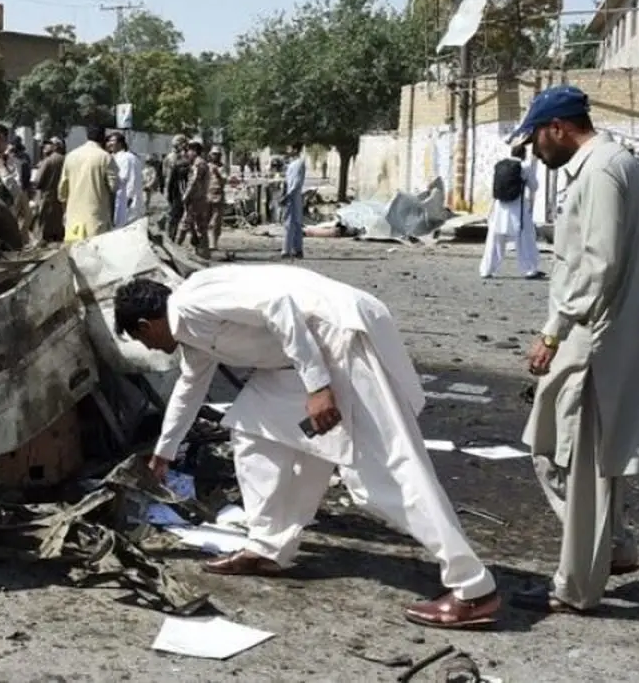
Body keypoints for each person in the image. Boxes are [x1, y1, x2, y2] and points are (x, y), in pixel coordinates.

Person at [114, 268, 500, 628]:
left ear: (146, 325)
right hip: (298, 362)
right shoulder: (191, 334)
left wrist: (317, 386)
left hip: (339, 339)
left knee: (384, 474)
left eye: (140, 339)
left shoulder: (192, 302)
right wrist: (165, 451)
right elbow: (190, 387)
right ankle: (268, 547)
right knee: (254, 431)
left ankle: (473, 589)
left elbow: (278, 306)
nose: (148, 347)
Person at [510, 85, 639, 615]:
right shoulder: (621, 163)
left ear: (557, 128)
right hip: (609, 335)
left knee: (570, 459)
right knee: (583, 456)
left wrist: (552, 332)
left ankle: (575, 587)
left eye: (535, 139)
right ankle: (615, 548)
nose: (534, 152)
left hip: (590, 338)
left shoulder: (597, 172)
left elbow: (596, 265)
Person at [480, 144, 541, 279]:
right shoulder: (524, 167)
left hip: (499, 207)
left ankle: (487, 269)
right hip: (517, 208)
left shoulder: (500, 165)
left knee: (495, 240)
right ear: (523, 154)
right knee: (526, 238)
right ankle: (530, 269)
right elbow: (534, 186)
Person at [59, 124, 119, 242]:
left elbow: (62, 191)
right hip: (96, 218)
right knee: (95, 255)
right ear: (103, 137)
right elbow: (114, 186)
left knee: (74, 253)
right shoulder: (105, 157)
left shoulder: (71, 156)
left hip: (73, 218)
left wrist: (65, 212)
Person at [179, 139, 211, 258]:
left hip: (195, 199)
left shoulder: (199, 164)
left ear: (195, 151)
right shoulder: (199, 163)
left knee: (184, 225)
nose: (187, 154)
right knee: (200, 226)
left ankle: (176, 248)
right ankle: (204, 252)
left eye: (189, 151)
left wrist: (185, 195)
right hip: (200, 199)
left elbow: (194, 181)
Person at [32, 137, 66, 243]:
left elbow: (37, 181)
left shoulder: (48, 160)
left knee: (44, 228)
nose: (46, 146)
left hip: (47, 198)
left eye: (49, 144)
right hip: (62, 199)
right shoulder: (66, 159)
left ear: (55, 146)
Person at [108, 131, 144, 228]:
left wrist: (128, 200)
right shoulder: (131, 157)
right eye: (108, 141)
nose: (109, 144)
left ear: (120, 143)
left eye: (112, 141)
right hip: (130, 202)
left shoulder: (124, 158)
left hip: (127, 203)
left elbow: (127, 180)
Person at [282, 142, 307, 259]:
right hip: (292, 195)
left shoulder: (299, 164)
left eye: (290, 148)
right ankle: (297, 249)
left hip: (293, 196)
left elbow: (296, 182)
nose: (288, 150)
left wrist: (288, 195)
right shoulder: (292, 164)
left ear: (296, 150)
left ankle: (287, 250)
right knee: (295, 223)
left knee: (290, 223)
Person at [164, 135, 189, 239]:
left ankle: (172, 237)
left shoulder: (172, 157)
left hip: (175, 189)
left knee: (176, 216)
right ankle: (171, 238)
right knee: (174, 216)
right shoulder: (174, 158)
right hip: (175, 190)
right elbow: (169, 176)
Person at [207, 147, 228, 249]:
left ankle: (213, 243)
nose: (216, 156)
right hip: (207, 196)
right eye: (214, 154)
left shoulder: (222, 167)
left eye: (218, 154)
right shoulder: (207, 166)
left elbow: (224, 181)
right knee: (205, 221)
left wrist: (217, 173)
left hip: (218, 196)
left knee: (216, 222)